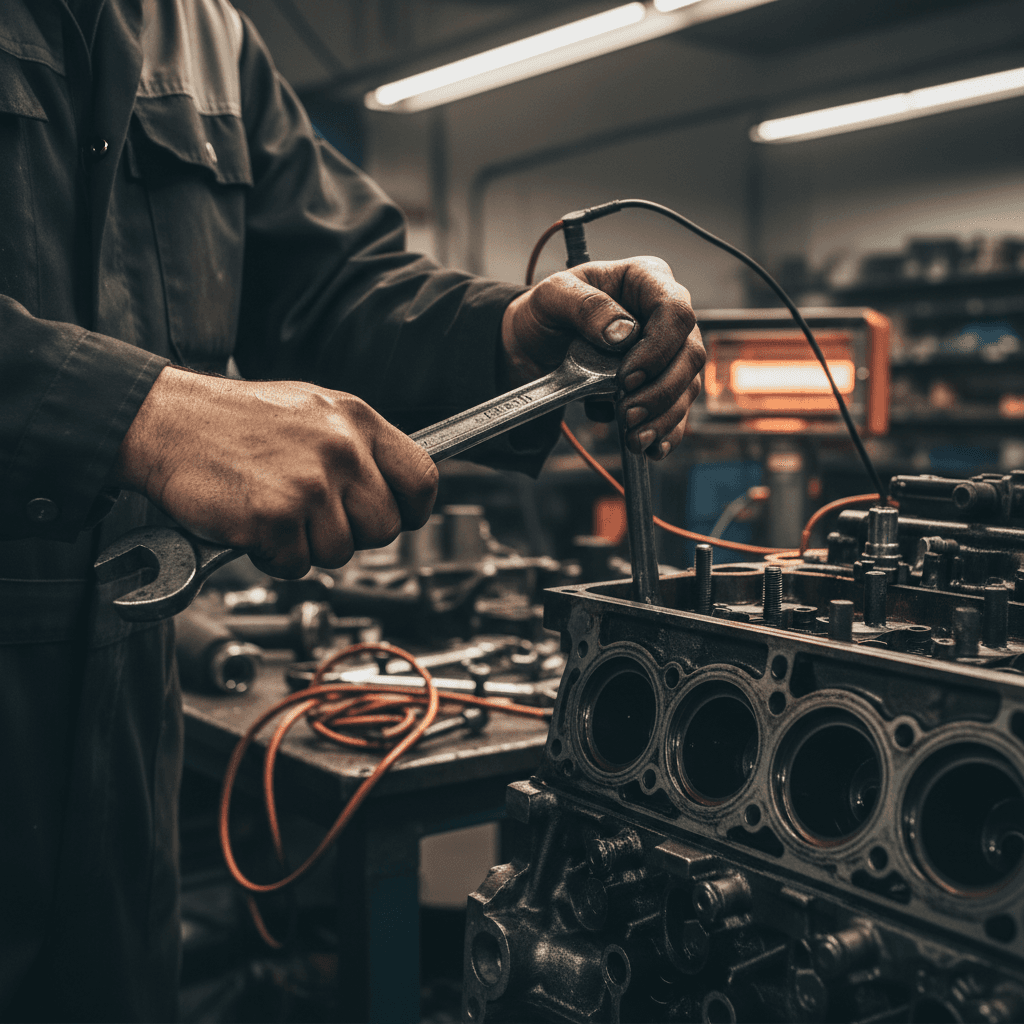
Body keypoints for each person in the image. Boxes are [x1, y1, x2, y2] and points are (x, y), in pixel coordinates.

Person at [0, 1, 704, 1020]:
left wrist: (506, 341)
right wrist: (139, 413)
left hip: (118, 761)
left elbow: (328, 287)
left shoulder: (205, 38)